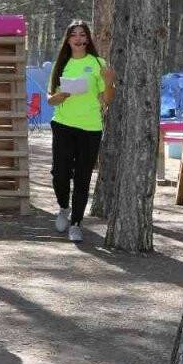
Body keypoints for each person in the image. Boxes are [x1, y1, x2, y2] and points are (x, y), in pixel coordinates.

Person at [46, 20, 115, 243]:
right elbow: (50, 99)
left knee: (83, 177)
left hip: (90, 128)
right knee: (59, 173)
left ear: (87, 38)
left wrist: (109, 82)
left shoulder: (97, 63)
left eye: (82, 34)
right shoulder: (61, 64)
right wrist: (61, 96)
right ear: (67, 40)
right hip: (63, 125)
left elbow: (106, 100)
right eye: (73, 34)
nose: (78, 38)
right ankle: (63, 208)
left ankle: (76, 223)